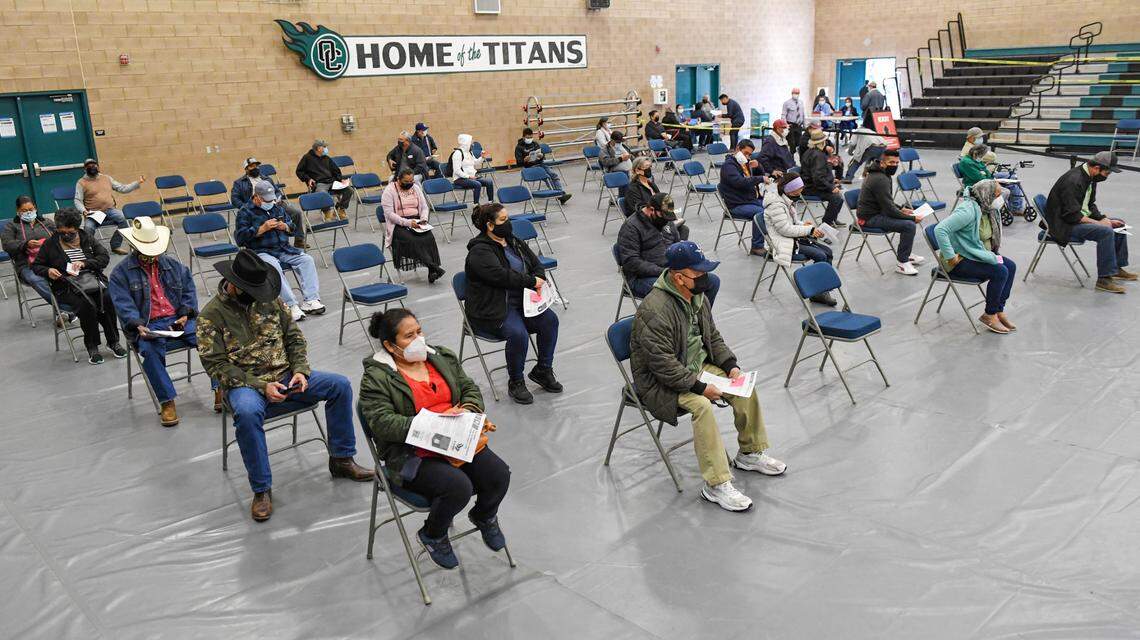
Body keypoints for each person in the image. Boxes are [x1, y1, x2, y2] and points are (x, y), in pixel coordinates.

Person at [197, 249, 372, 521]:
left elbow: (295, 339)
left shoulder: (271, 301)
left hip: (286, 374)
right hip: (245, 384)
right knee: (246, 412)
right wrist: (260, 386)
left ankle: (341, 459)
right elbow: (217, 367)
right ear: (234, 285)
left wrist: (301, 371)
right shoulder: (211, 316)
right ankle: (261, 488)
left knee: (339, 385)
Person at [630, 241, 786, 511]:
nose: (706, 278)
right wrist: (700, 387)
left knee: (743, 387)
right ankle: (716, 484)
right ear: (679, 277)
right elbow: (662, 365)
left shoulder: (695, 296)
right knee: (702, 407)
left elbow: (711, 335)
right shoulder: (654, 310)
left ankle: (749, 453)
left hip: (695, 367)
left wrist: (729, 364)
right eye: (699, 273)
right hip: (661, 382)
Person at [358, 308, 511, 569]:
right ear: (390, 345)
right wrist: (430, 425)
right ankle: (433, 534)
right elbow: (381, 423)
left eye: (419, 331)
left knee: (498, 475)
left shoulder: (440, 357)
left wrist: (469, 411)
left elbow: (469, 388)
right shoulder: (377, 377)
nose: (418, 339)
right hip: (409, 452)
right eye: (409, 336)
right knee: (458, 487)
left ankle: (484, 516)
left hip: (455, 441)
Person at [464, 203, 562, 404]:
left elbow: (535, 263)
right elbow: (502, 277)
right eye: (503, 220)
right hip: (493, 308)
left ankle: (543, 369)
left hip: (521, 302)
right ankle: (516, 381)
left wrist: (539, 277)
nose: (508, 223)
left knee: (550, 320)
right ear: (490, 226)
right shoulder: (479, 251)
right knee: (518, 334)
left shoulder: (513, 241)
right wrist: (531, 281)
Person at [108, 216, 199, 426]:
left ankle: (220, 388)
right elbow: (123, 304)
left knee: (211, 337)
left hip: (179, 319)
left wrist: (186, 313)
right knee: (149, 350)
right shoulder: (120, 274)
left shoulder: (175, 266)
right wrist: (137, 324)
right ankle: (167, 401)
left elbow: (189, 291)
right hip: (148, 324)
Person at [31, 207, 124, 364]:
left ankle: (113, 341)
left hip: (92, 278)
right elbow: (36, 266)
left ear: (77, 228)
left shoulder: (87, 237)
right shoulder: (50, 244)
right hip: (65, 284)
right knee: (86, 304)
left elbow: (103, 257)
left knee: (107, 299)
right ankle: (92, 346)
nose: (66, 235)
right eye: (62, 232)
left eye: (70, 232)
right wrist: (48, 271)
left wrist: (85, 263)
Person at [934, 179, 1018, 333]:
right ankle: (989, 315)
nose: (1000, 199)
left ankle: (999, 310)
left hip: (977, 254)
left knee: (1010, 266)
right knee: (1000, 272)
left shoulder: (988, 209)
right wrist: (950, 256)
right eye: (997, 195)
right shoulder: (967, 210)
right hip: (959, 260)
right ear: (987, 195)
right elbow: (940, 230)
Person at [1043, 151, 1133, 294]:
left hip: (1076, 219)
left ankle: (1116, 268)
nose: (1107, 177)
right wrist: (1100, 224)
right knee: (1106, 232)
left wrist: (1103, 218)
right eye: (1107, 173)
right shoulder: (1073, 181)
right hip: (1064, 225)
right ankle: (1104, 279)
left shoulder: (1090, 178)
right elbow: (1072, 215)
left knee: (1119, 224)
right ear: (1097, 168)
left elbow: (1090, 205)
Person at [234, 180, 325, 321]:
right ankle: (290, 304)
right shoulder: (245, 212)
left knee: (307, 260)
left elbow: (292, 227)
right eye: (266, 200)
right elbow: (240, 239)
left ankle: (311, 300)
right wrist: (261, 229)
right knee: (274, 267)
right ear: (257, 197)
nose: (270, 202)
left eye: (272, 199)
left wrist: (286, 227)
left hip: (283, 248)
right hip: (260, 251)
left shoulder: (277, 208)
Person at [618, 192, 720, 303]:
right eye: (663, 216)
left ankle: (699, 318)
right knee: (681, 289)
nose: (666, 221)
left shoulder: (665, 221)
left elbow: (677, 244)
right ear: (651, 210)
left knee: (712, 281)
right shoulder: (631, 227)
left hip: (672, 270)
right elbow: (631, 262)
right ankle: (678, 319)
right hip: (642, 277)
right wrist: (664, 271)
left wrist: (687, 265)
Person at [764, 174, 836, 305]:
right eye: (800, 189)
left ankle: (822, 289)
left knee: (828, 252)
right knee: (820, 255)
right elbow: (784, 230)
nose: (802, 191)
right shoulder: (776, 205)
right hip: (782, 242)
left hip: (792, 239)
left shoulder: (787, 200)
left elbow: (793, 222)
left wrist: (804, 225)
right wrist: (810, 230)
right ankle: (818, 292)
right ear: (791, 190)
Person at [2, 195, 73, 323]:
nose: (28, 212)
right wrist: (25, 244)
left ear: (35, 208)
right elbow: (7, 245)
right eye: (24, 211)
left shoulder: (47, 222)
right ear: (17, 211)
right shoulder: (11, 226)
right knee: (37, 280)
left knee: (74, 272)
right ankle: (69, 309)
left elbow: (63, 236)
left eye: (31, 209)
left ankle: (66, 311)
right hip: (27, 265)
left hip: (53, 261)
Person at [855, 150, 925, 276]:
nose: (895, 165)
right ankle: (902, 263)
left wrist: (902, 209)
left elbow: (886, 201)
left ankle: (906, 254)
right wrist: (912, 218)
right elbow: (889, 209)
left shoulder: (883, 174)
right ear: (882, 163)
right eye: (891, 162)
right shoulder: (880, 179)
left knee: (908, 220)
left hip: (879, 212)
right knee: (909, 225)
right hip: (869, 219)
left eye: (897, 162)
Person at [381, 168, 445, 282]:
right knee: (414, 240)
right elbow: (389, 214)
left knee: (429, 237)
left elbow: (424, 206)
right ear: (398, 179)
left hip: (417, 221)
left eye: (411, 181)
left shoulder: (415, 188)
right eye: (406, 182)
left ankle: (432, 271)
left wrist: (424, 219)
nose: (410, 184)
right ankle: (433, 267)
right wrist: (408, 223)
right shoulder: (389, 191)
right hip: (398, 224)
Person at [231, 157, 306, 249]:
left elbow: (277, 191)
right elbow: (234, 199)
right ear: (246, 169)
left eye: (256, 166)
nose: (255, 168)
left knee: (296, 213)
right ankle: (267, 245)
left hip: (275, 204)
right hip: (256, 206)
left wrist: (276, 199)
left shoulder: (267, 179)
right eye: (251, 166)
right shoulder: (239, 183)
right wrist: (246, 207)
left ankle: (299, 240)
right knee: (262, 223)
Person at [73, 158, 142, 255]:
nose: (92, 167)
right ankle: (90, 250)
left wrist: (137, 183)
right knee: (88, 228)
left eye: (94, 165)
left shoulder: (106, 178)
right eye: (89, 166)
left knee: (123, 219)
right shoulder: (81, 182)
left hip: (110, 210)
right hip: (93, 213)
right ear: (85, 169)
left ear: (98, 167)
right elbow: (77, 200)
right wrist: (84, 211)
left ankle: (115, 246)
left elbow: (122, 188)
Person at [720, 139, 768, 257]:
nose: (747, 156)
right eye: (745, 153)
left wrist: (758, 166)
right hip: (736, 204)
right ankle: (757, 246)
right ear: (737, 149)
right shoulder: (729, 166)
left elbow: (756, 176)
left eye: (749, 154)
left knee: (772, 206)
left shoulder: (744, 162)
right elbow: (739, 182)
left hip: (749, 199)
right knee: (760, 213)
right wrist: (760, 178)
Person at [294, 139, 350, 220]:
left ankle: (340, 209)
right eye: (324, 147)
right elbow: (299, 171)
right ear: (319, 148)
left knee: (349, 190)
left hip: (332, 181)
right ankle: (327, 212)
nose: (326, 148)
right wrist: (308, 179)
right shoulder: (307, 158)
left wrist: (340, 179)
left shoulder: (327, 158)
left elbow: (336, 170)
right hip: (319, 183)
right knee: (322, 194)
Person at [800, 129, 845, 227]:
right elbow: (818, 177)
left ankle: (832, 218)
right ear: (822, 142)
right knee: (836, 198)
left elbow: (819, 174)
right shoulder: (818, 155)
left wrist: (831, 180)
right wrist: (831, 187)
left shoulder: (812, 152)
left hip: (811, 184)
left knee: (839, 197)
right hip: (811, 187)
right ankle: (826, 223)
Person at [514, 128, 571, 203]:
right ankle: (560, 196)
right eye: (528, 137)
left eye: (531, 137)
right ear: (523, 137)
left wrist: (541, 156)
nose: (529, 139)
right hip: (529, 167)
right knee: (547, 177)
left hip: (540, 164)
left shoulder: (535, 144)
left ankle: (561, 193)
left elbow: (541, 157)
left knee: (553, 175)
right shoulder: (519, 147)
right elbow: (519, 163)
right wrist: (525, 160)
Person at [449, 134, 494, 204]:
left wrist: (482, 157)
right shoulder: (457, 153)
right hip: (460, 179)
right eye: (471, 143)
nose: (472, 144)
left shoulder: (469, 152)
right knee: (477, 184)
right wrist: (469, 176)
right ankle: (476, 205)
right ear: (465, 143)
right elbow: (457, 170)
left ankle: (491, 203)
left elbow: (475, 162)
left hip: (471, 177)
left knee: (489, 182)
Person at [781, 88, 806, 154]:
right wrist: (785, 125)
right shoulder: (787, 103)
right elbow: (783, 115)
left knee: (799, 143)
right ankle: (791, 159)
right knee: (791, 144)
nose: (796, 94)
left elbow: (803, 114)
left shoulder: (801, 102)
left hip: (799, 125)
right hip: (790, 125)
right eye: (795, 93)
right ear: (792, 93)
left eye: (797, 93)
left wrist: (805, 125)